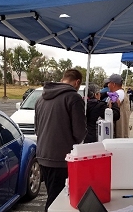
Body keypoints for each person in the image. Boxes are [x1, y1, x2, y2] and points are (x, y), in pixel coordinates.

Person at [35, 69, 87, 212]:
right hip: (61, 158)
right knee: (56, 201)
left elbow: (37, 128)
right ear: (77, 82)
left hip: (42, 155)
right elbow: (79, 132)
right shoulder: (73, 98)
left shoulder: (41, 98)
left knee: (52, 194)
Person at [105, 74, 131, 138]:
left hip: (118, 130)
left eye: (109, 83)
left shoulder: (118, 94)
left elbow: (112, 109)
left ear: (113, 84)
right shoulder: (121, 93)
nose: (108, 85)